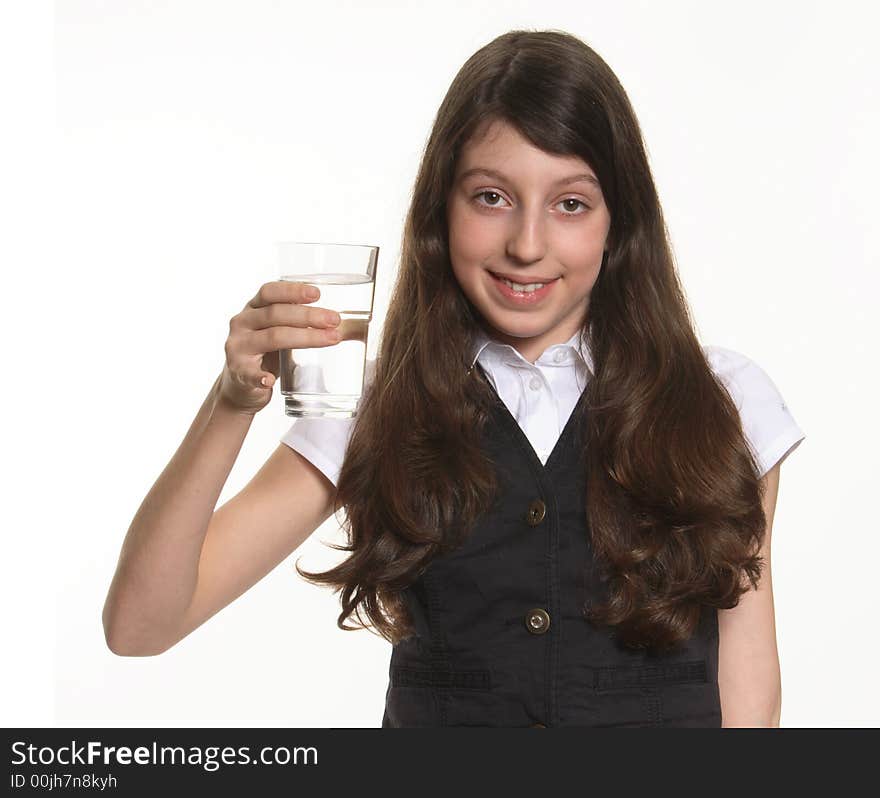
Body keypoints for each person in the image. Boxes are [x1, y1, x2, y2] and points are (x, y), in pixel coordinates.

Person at [103, 29, 805, 728]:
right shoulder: (376, 405)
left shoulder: (725, 402)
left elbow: (747, 689)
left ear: (619, 224)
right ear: (442, 208)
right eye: (491, 197)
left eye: (570, 204)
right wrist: (231, 404)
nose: (527, 246)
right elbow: (140, 626)